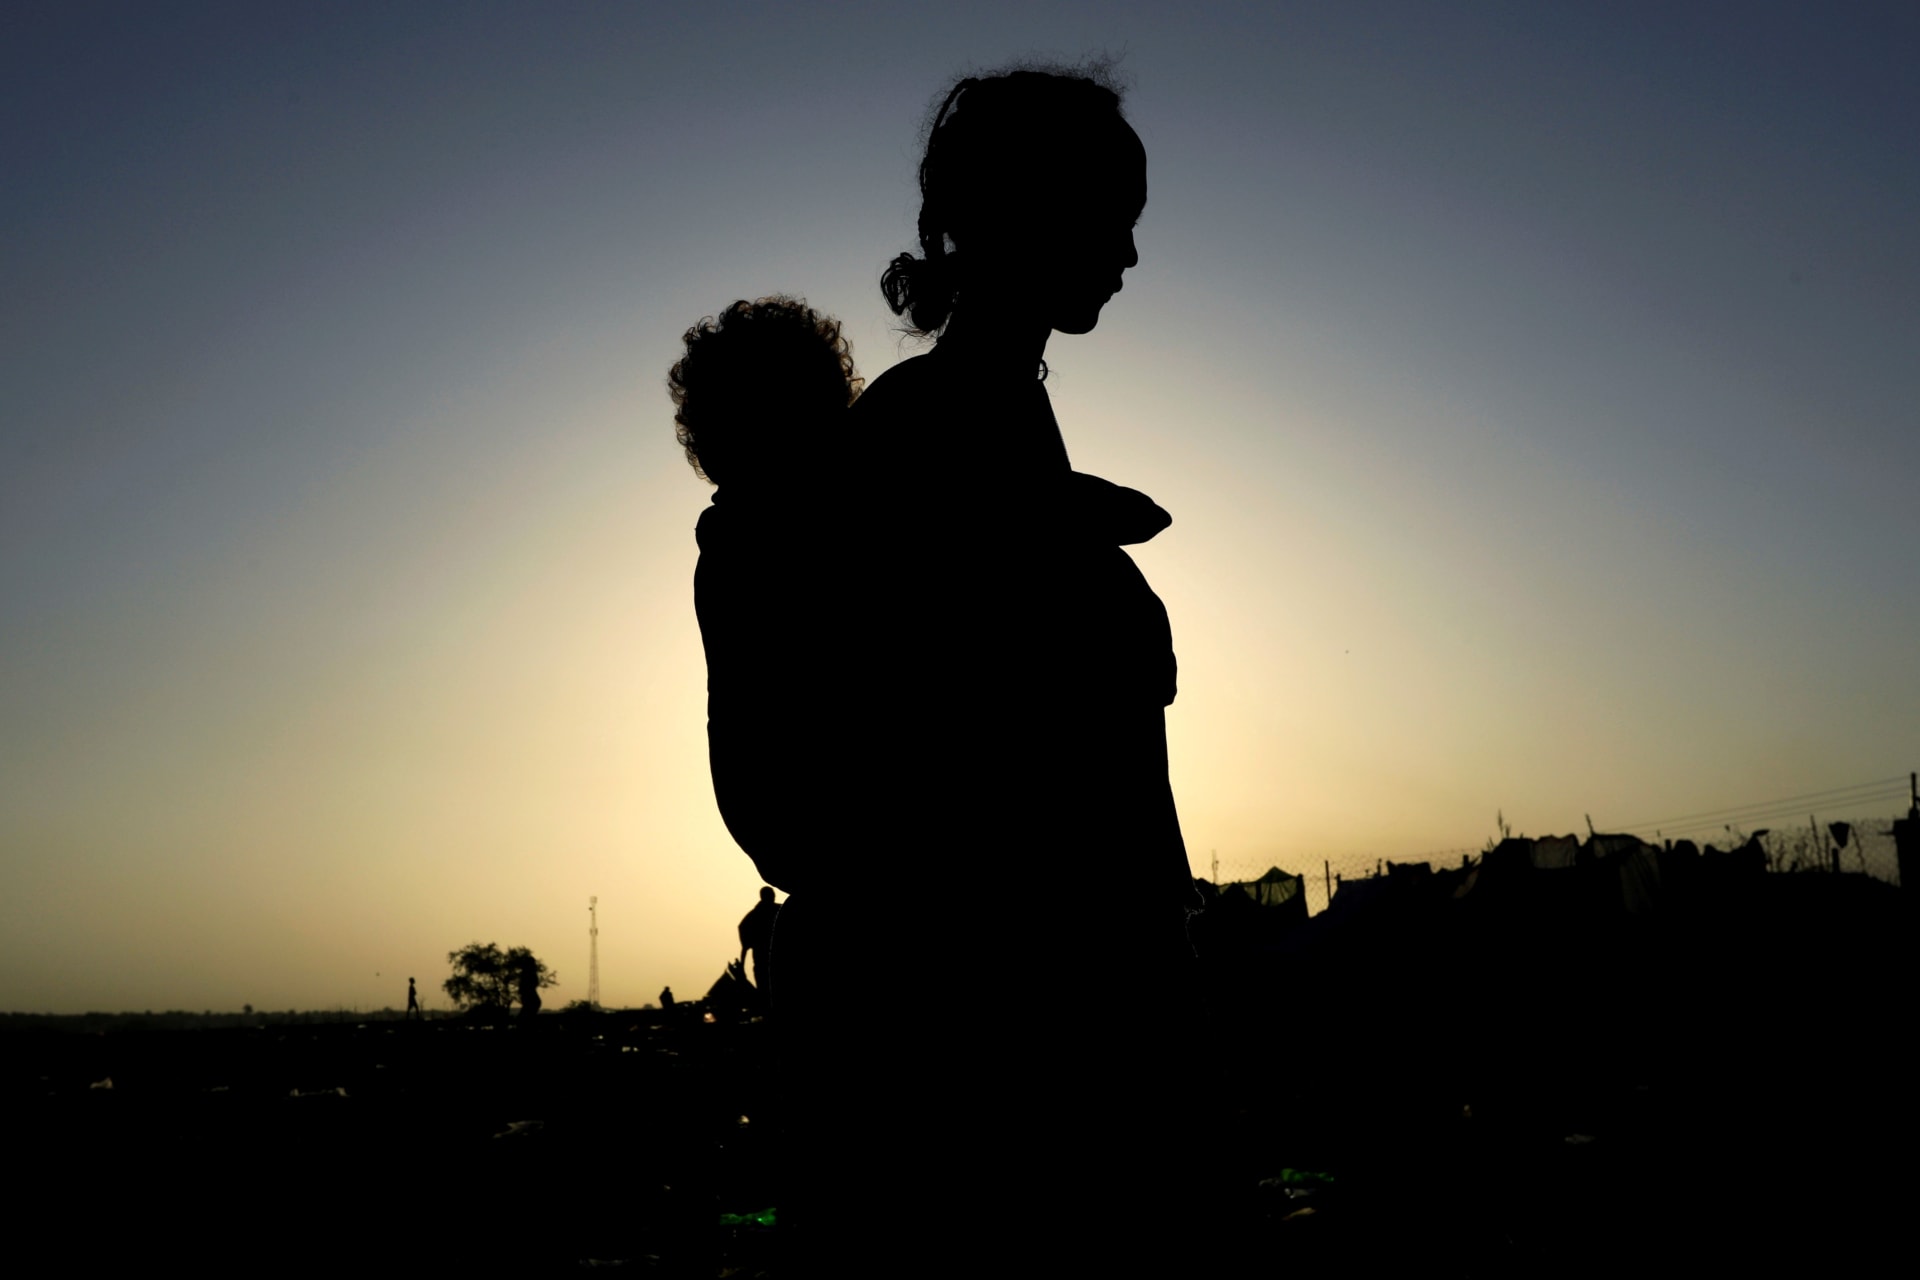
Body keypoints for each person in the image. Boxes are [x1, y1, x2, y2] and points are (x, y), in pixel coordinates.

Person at [685, 63, 1202, 1277]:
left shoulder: (991, 415)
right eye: (1111, 216)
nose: (1128, 254)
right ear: (1025, 212)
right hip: (1014, 1036)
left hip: (1058, 1001)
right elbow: (966, 755)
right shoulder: (931, 426)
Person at [737, 885, 781, 995]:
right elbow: (744, 943)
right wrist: (741, 967)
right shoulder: (756, 915)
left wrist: (742, 966)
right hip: (762, 960)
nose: (773, 897)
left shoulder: (777, 910)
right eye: (771, 895)